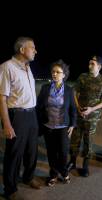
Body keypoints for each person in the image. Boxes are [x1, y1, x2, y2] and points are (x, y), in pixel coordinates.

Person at [0, 37, 40, 200]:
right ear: (22, 49)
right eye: (33, 48)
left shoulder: (27, 67)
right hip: (17, 115)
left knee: (32, 150)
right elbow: (2, 98)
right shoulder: (6, 67)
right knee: (14, 153)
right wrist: (7, 125)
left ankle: (28, 177)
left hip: (31, 114)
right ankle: (10, 188)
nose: (35, 51)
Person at [68, 55, 102, 177]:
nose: (90, 65)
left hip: (93, 117)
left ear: (99, 66)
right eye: (89, 63)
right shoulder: (83, 77)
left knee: (88, 141)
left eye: (93, 64)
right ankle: (72, 162)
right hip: (79, 114)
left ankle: (85, 166)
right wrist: (77, 107)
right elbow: (74, 92)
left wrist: (92, 109)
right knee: (75, 140)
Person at [36, 59, 77, 187]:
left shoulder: (69, 90)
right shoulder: (45, 88)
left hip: (63, 126)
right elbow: (39, 107)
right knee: (51, 152)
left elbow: (72, 109)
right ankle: (53, 174)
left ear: (64, 75)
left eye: (58, 72)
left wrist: (72, 124)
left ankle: (64, 172)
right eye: (53, 72)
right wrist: (40, 122)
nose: (54, 74)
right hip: (49, 126)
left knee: (64, 151)